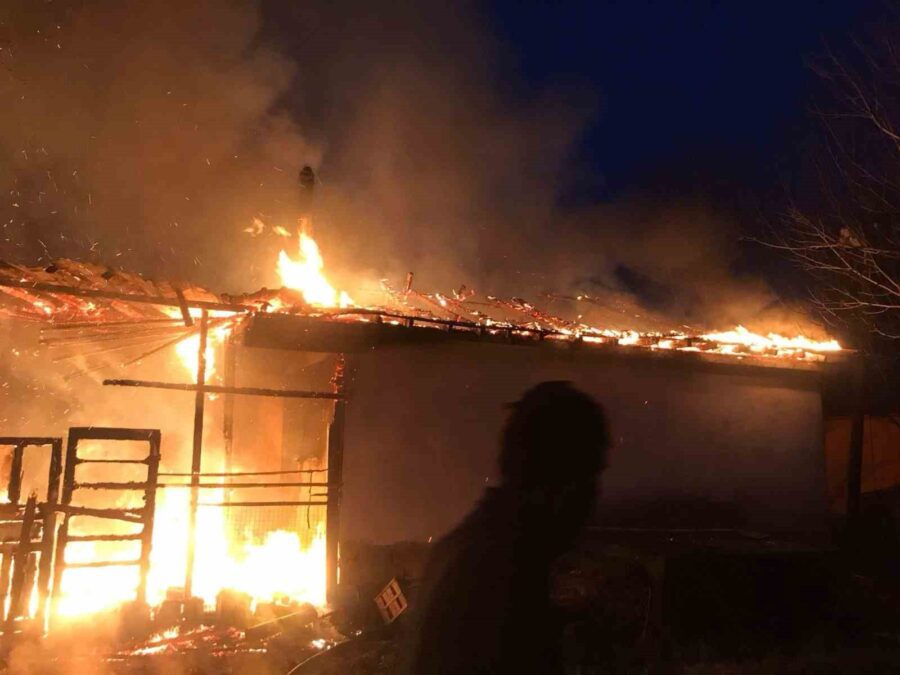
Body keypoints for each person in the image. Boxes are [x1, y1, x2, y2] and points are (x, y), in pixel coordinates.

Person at [405, 381, 610, 674]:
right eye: (591, 476)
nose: (594, 498)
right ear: (560, 485)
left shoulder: (469, 548)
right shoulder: (501, 573)